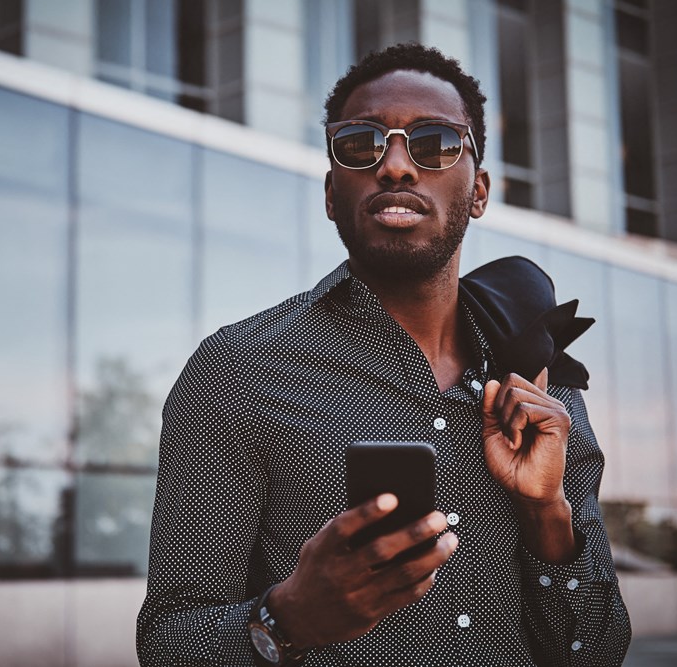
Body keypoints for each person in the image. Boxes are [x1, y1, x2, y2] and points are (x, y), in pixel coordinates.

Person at [137, 43, 631, 666]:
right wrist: (284, 619)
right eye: (362, 143)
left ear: (478, 191)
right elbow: (164, 644)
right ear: (329, 194)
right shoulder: (238, 372)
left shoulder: (542, 387)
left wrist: (546, 515)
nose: (396, 165)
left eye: (433, 143)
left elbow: (600, 651)